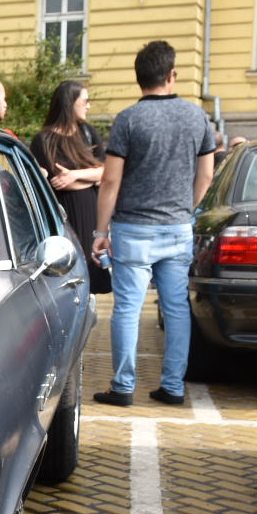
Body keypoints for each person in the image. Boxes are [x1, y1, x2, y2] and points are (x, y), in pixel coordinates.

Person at [92, 40, 216, 408]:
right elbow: (206, 176)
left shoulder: (129, 119)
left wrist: (101, 231)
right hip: (178, 228)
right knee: (176, 307)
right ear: (171, 74)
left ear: (139, 79)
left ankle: (123, 386)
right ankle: (173, 387)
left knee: (128, 308)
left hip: (133, 229)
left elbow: (111, 181)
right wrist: (185, 210)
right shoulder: (198, 117)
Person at [30, 80, 108, 292]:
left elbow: (106, 172)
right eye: (85, 101)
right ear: (69, 103)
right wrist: (91, 177)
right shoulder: (44, 140)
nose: (89, 106)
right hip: (62, 214)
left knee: (92, 272)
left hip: (90, 210)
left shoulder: (88, 133)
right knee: (67, 271)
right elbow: (54, 181)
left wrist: (74, 176)